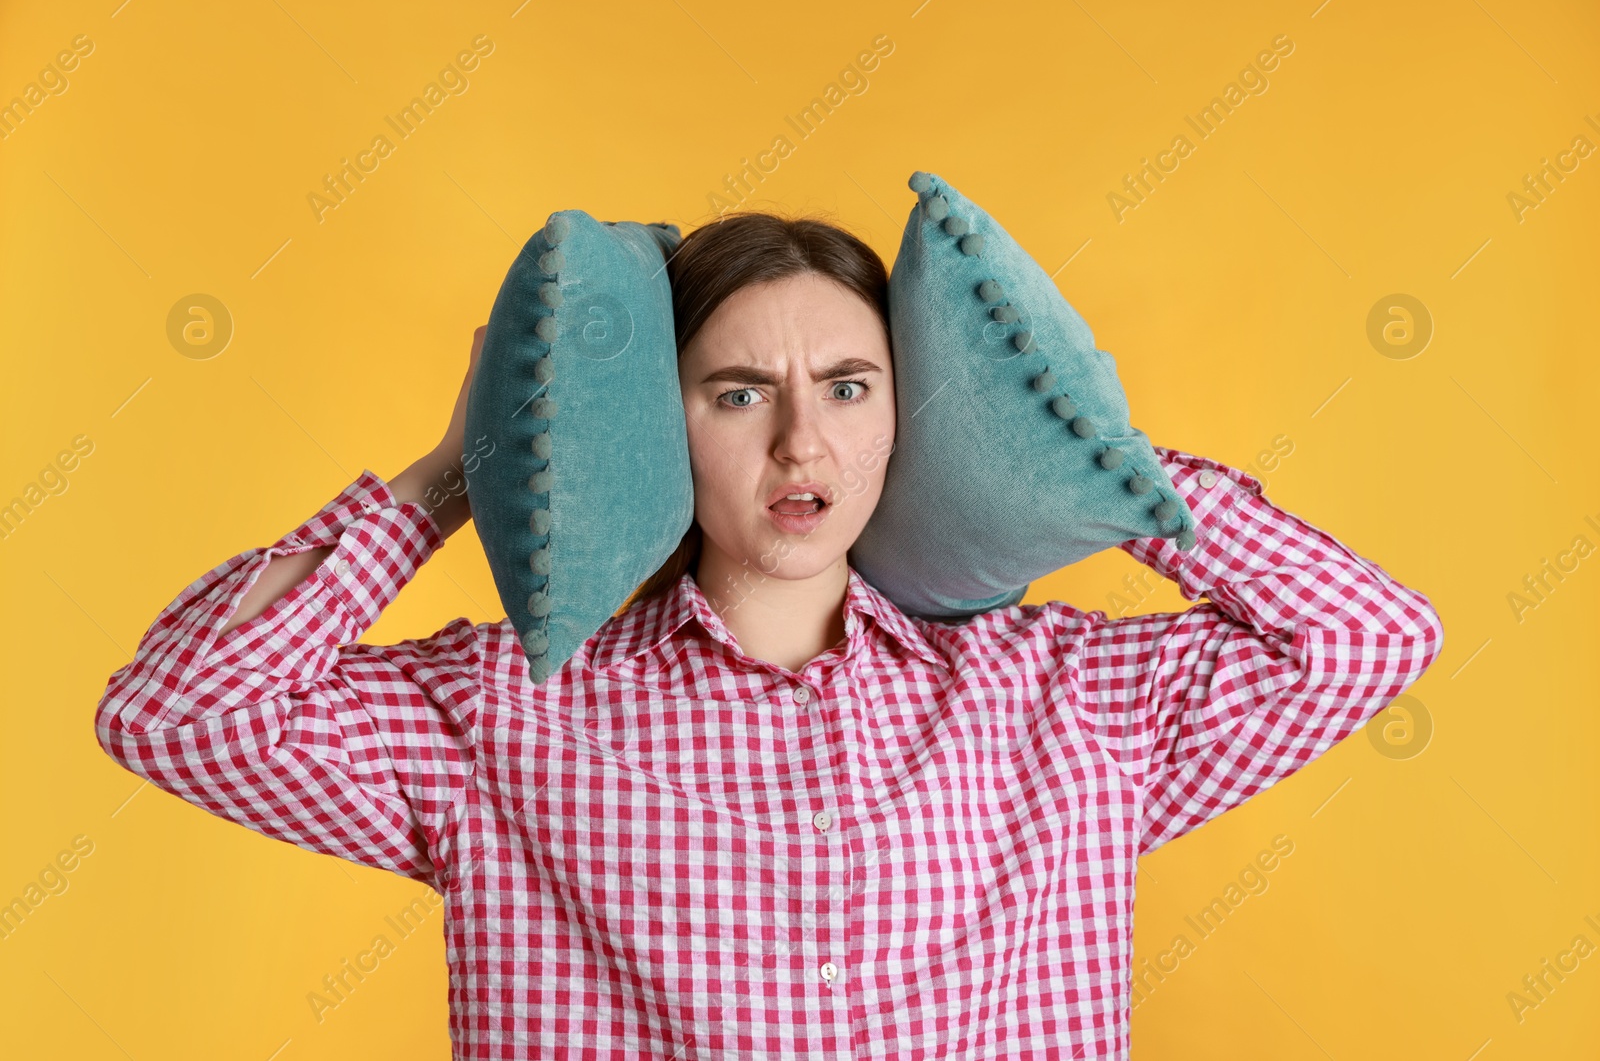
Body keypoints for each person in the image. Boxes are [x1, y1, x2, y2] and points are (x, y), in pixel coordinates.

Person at [95, 211, 1444, 1059]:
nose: (803, 440)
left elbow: (1363, 637)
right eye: (739, 392)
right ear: (653, 422)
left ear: (902, 419)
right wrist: (458, 471)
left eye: (848, 387)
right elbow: (177, 714)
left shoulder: (1065, 699)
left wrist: (1087, 458)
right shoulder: (502, 714)